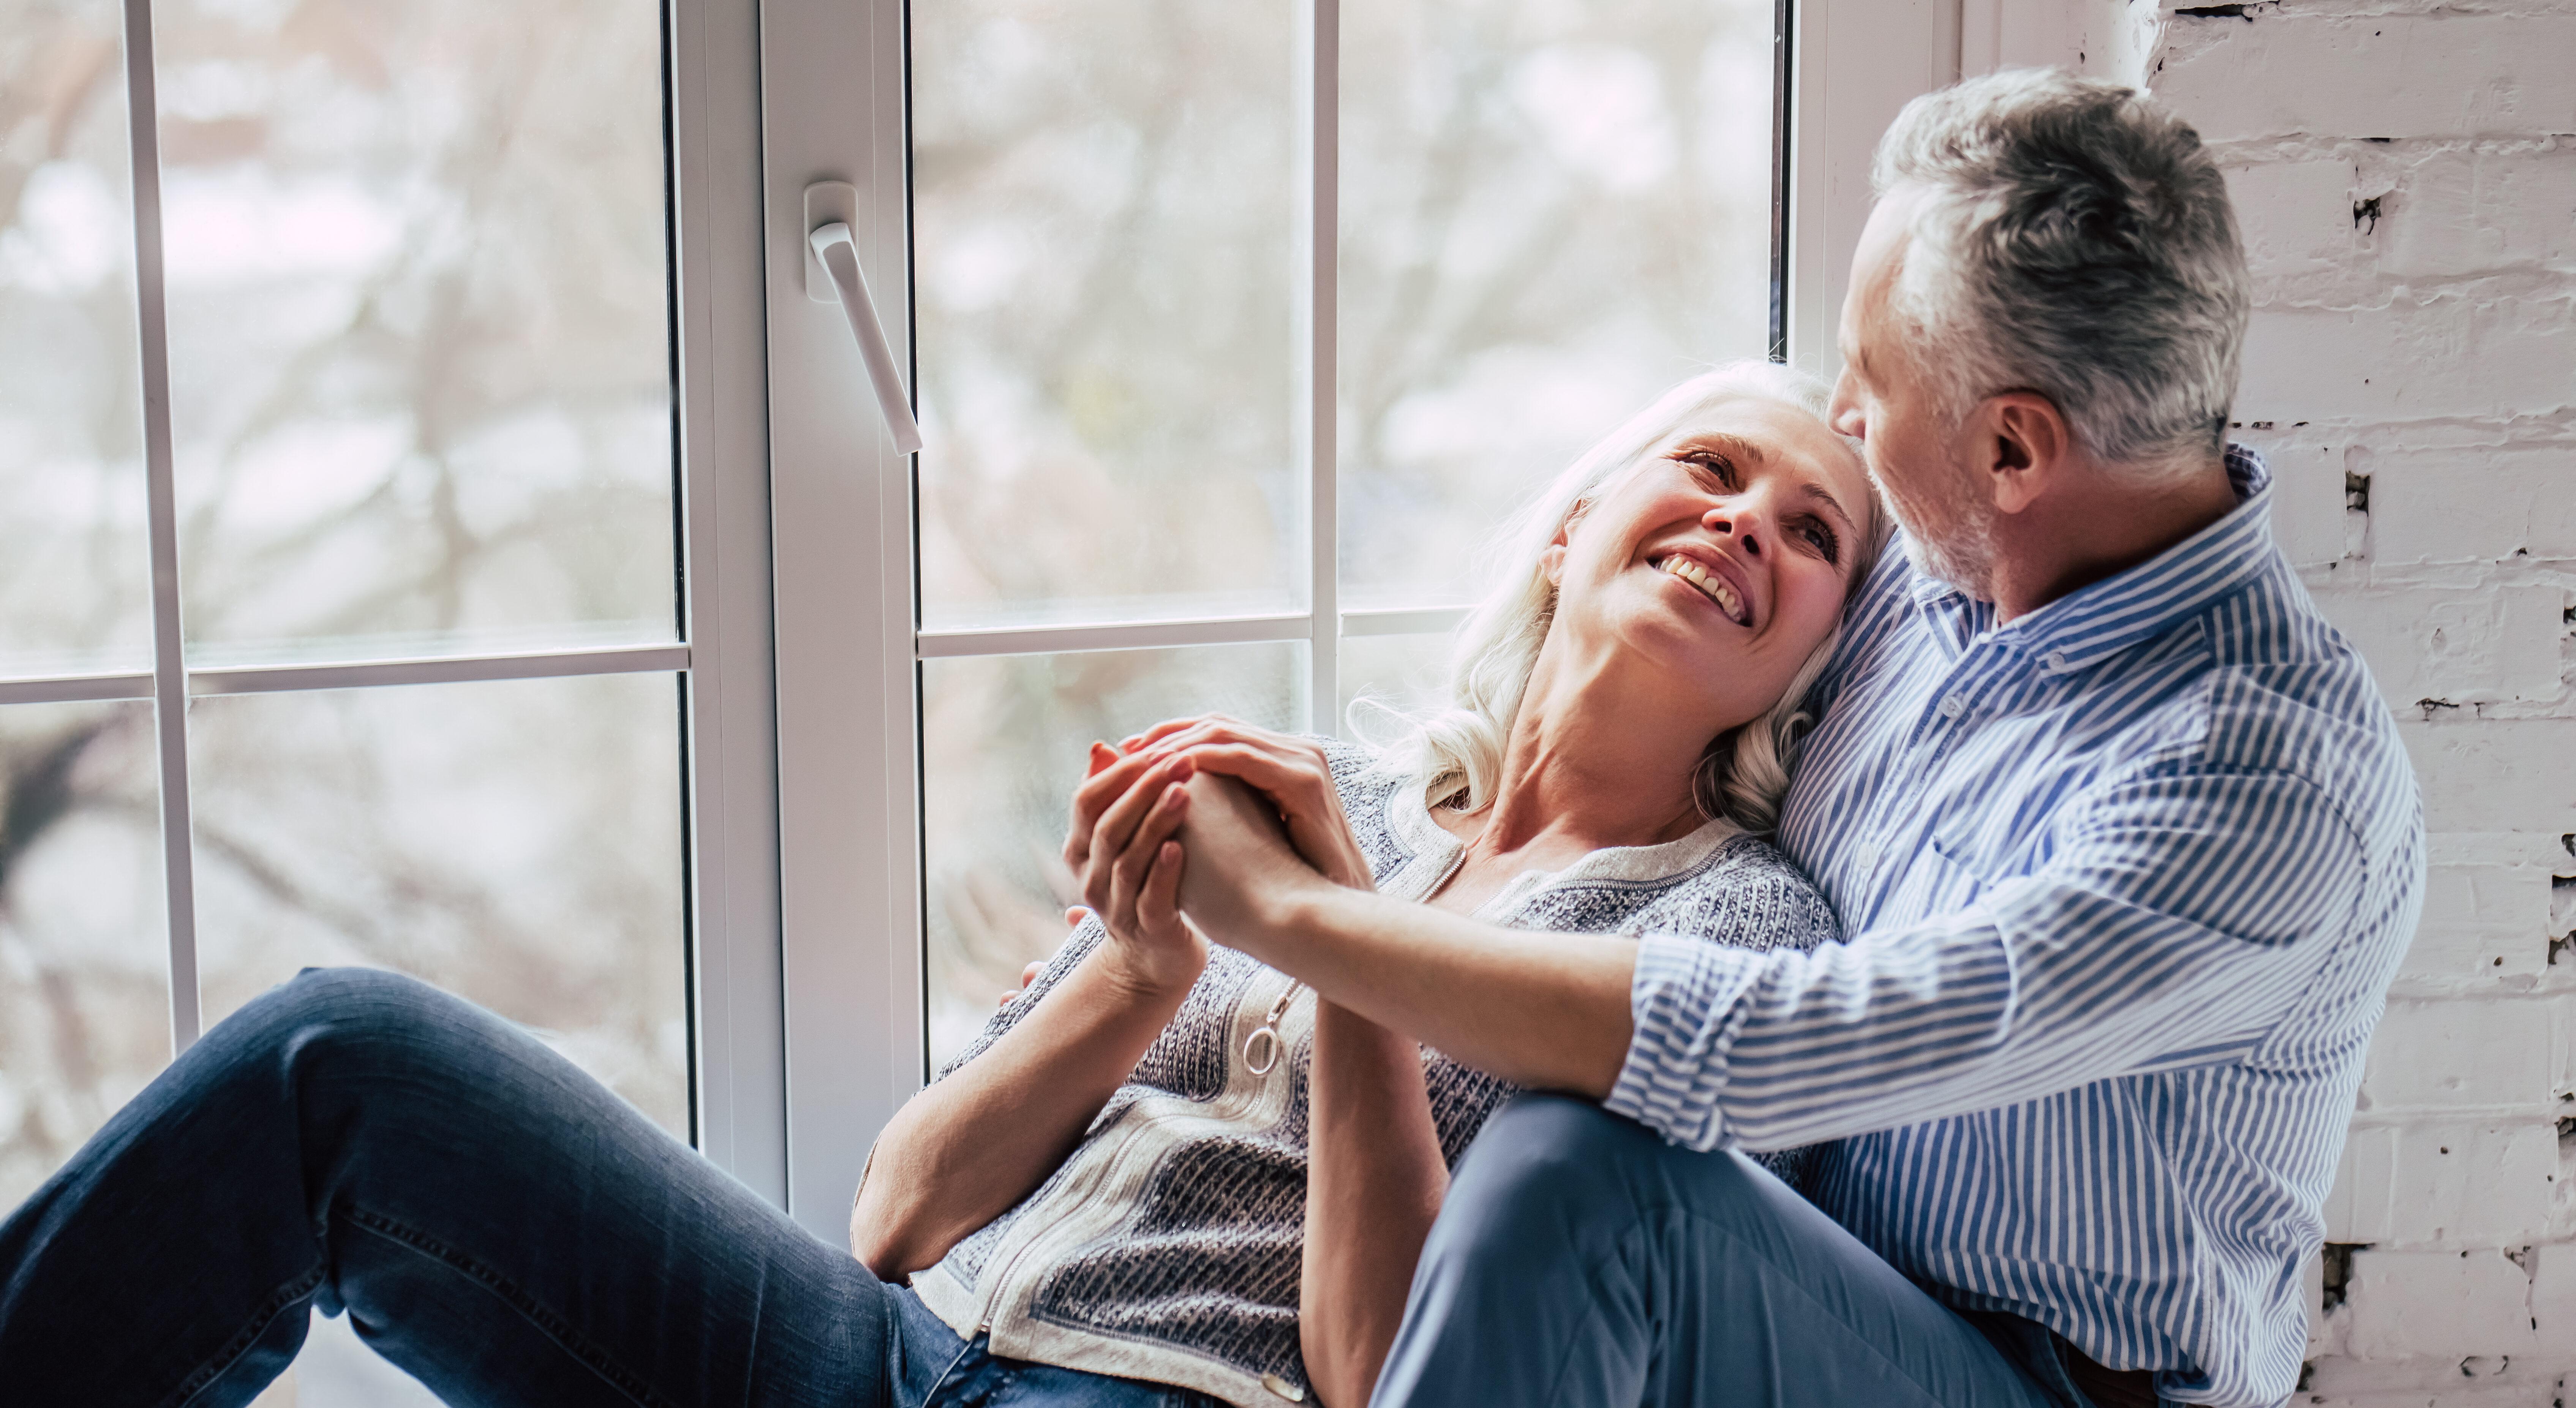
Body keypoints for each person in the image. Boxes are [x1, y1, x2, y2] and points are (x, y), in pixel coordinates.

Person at [0, 362, 1882, 1408]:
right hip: (886, 1353)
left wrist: (1339, 970)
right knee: (343, 1062)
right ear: (1576, 521)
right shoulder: (1345, 798)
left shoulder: (1736, 936)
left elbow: (1380, 1372)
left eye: (1810, 537)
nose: (1745, 527)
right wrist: (1144, 964)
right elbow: (896, 1208)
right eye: (1710, 469)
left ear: (1808, 665)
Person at [1082, 70, 2424, 1408]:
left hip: (2042, 1381)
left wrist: (1288, 912)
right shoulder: (1956, 561)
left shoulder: (2265, 779)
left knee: (1574, 1171)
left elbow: (1771, 1044)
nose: (1842, 412)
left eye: (1873, 381)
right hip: (1807, 1270)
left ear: (2016, 451)